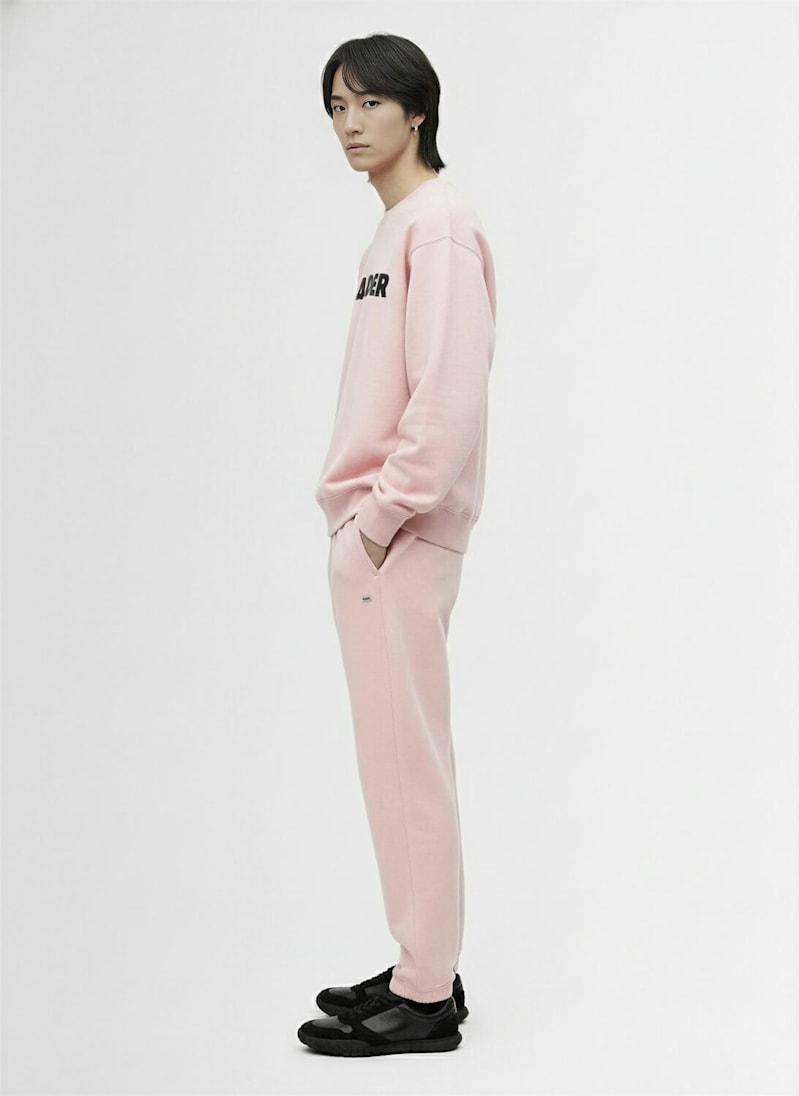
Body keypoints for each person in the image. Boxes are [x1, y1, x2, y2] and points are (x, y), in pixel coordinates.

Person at [297, 33, 497, 1057]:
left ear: (417, 109)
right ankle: (425, 964)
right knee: (395, 760)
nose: (349, 123)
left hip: (398, 538)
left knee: (406, 763)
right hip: (376, 536)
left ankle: (423, 996)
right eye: (337, 105)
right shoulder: (395, 231)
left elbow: (447, 395)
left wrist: (377, 522)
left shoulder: (440, 226)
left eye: (369, 102)